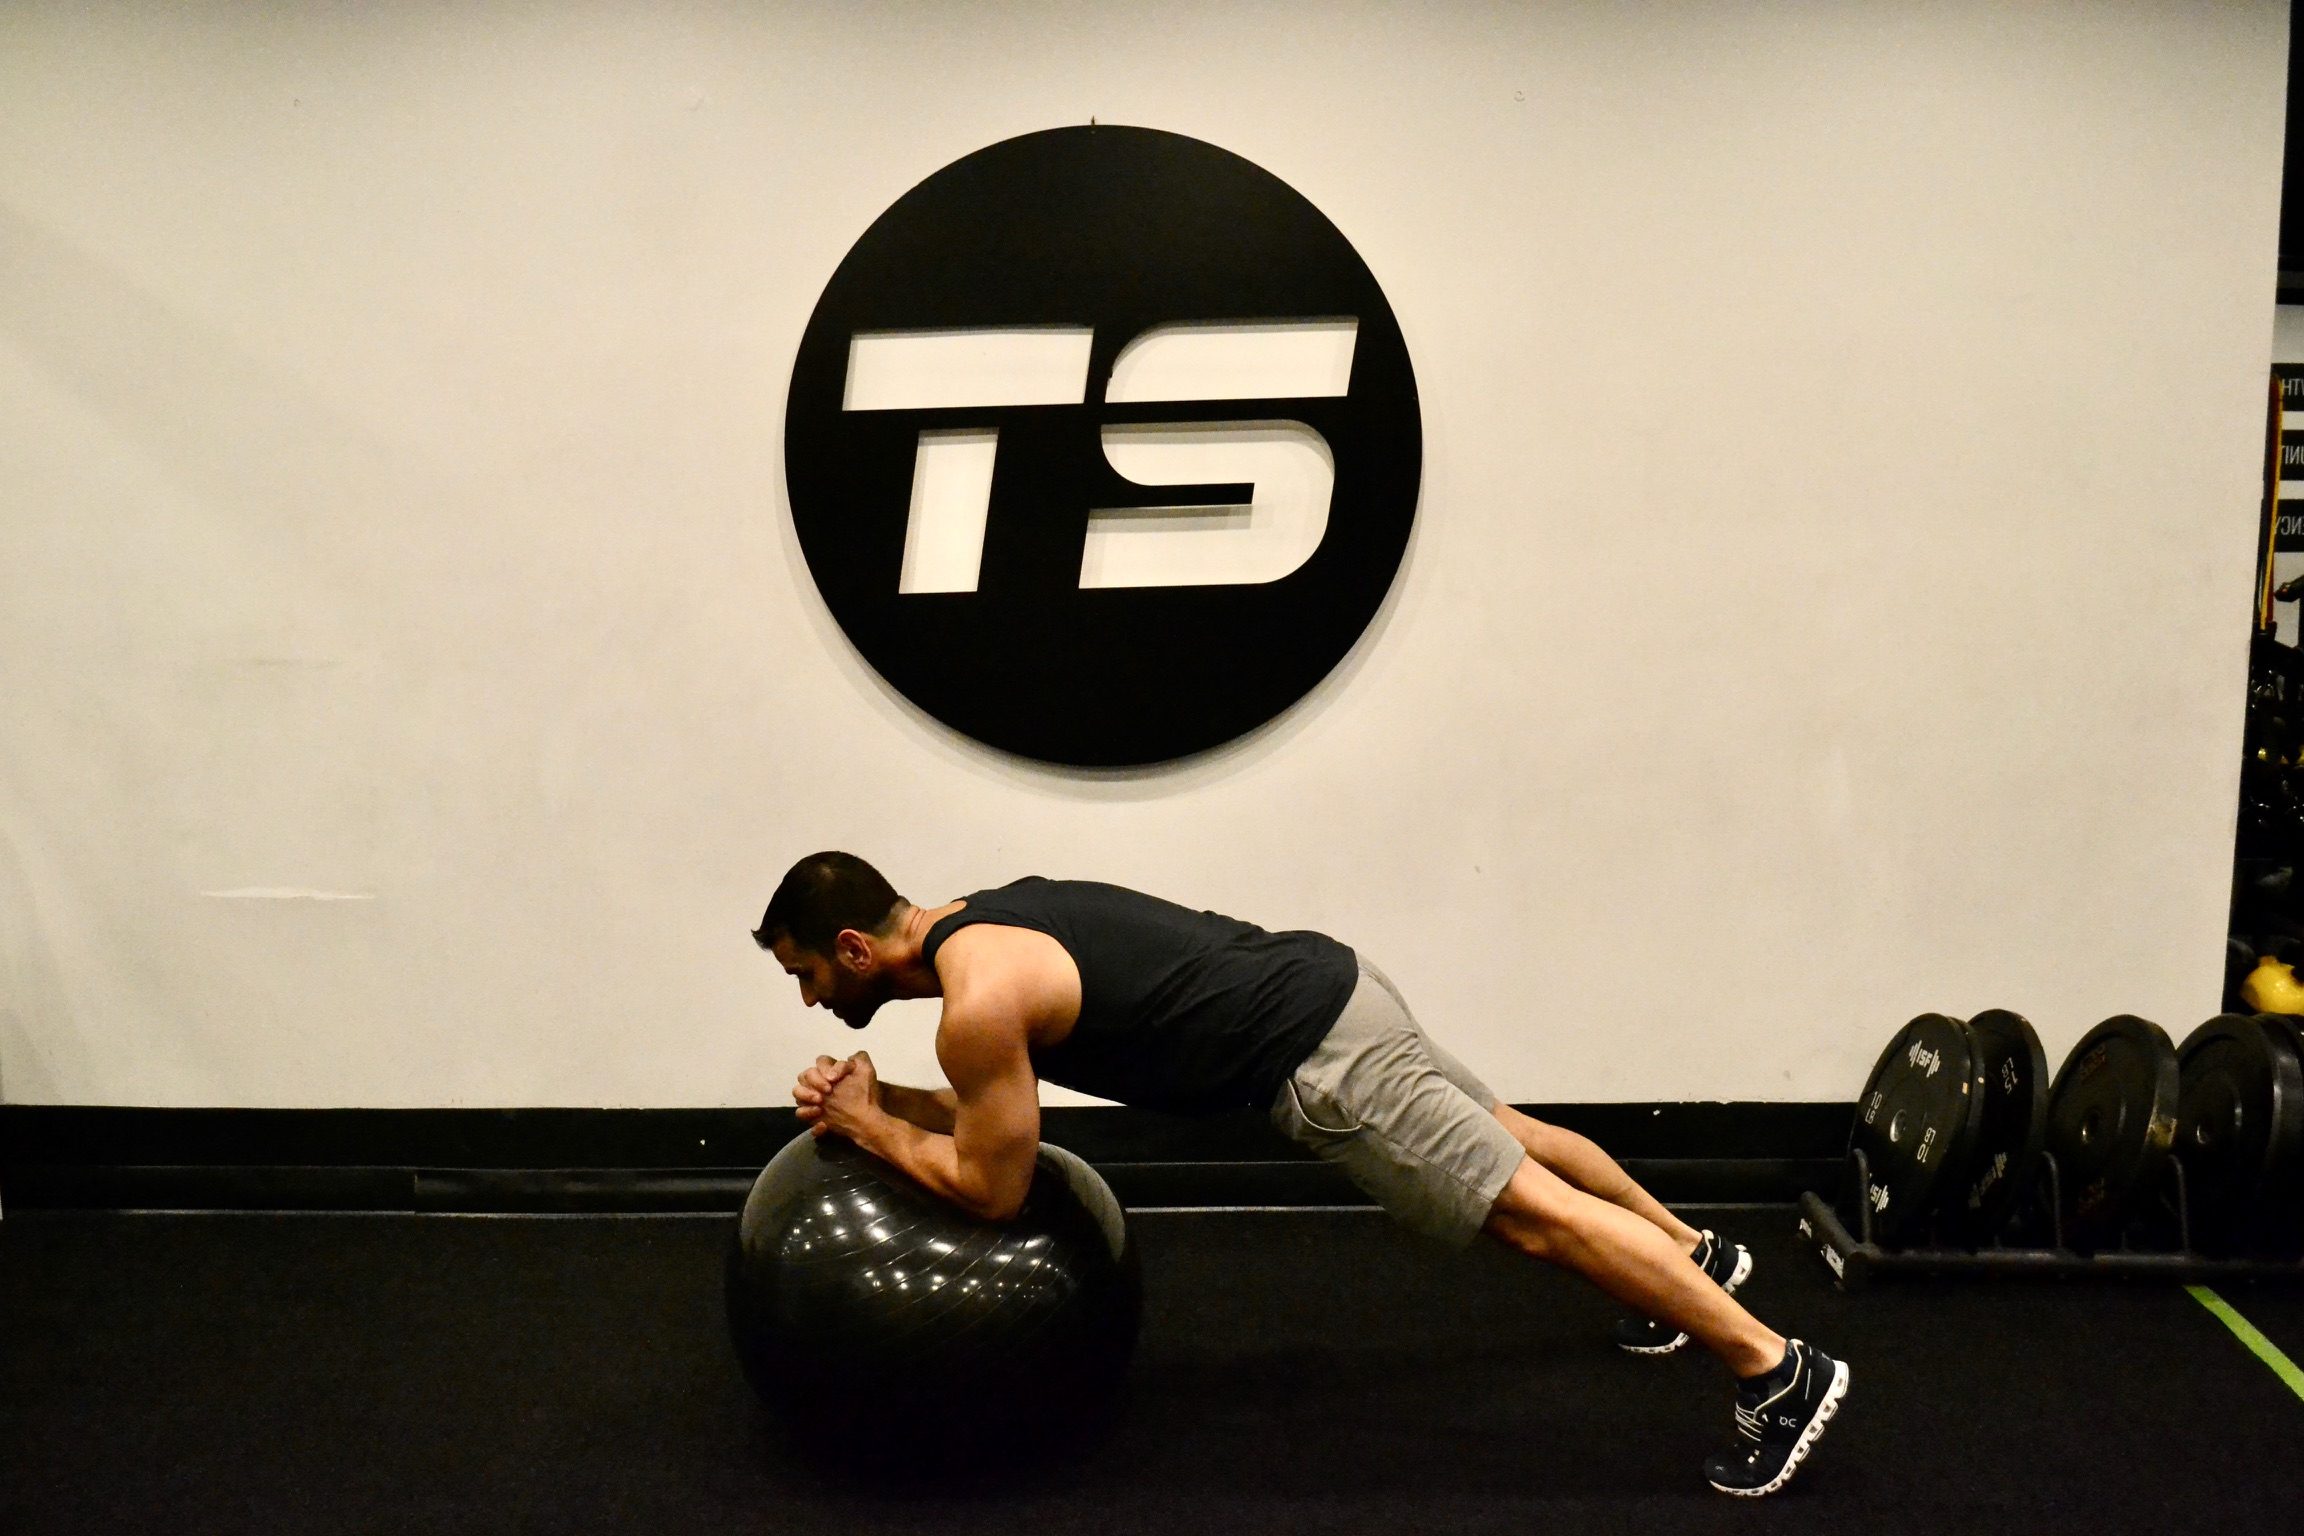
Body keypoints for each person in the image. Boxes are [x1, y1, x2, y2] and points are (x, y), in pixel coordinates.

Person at [754, 852, 1849, 1496]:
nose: (810, 1001)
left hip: (1322, 1063)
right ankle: (1703, 1256)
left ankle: (1773, 1369)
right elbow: (1005, 1123)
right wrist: (884, 1106)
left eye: (807, 975)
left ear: (853, 947)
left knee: (1530, 1217)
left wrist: (874, 1122)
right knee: (1510, 1133)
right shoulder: (989, 917)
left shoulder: (976, 1005)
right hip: (1329, 981)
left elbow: (995, 1186)